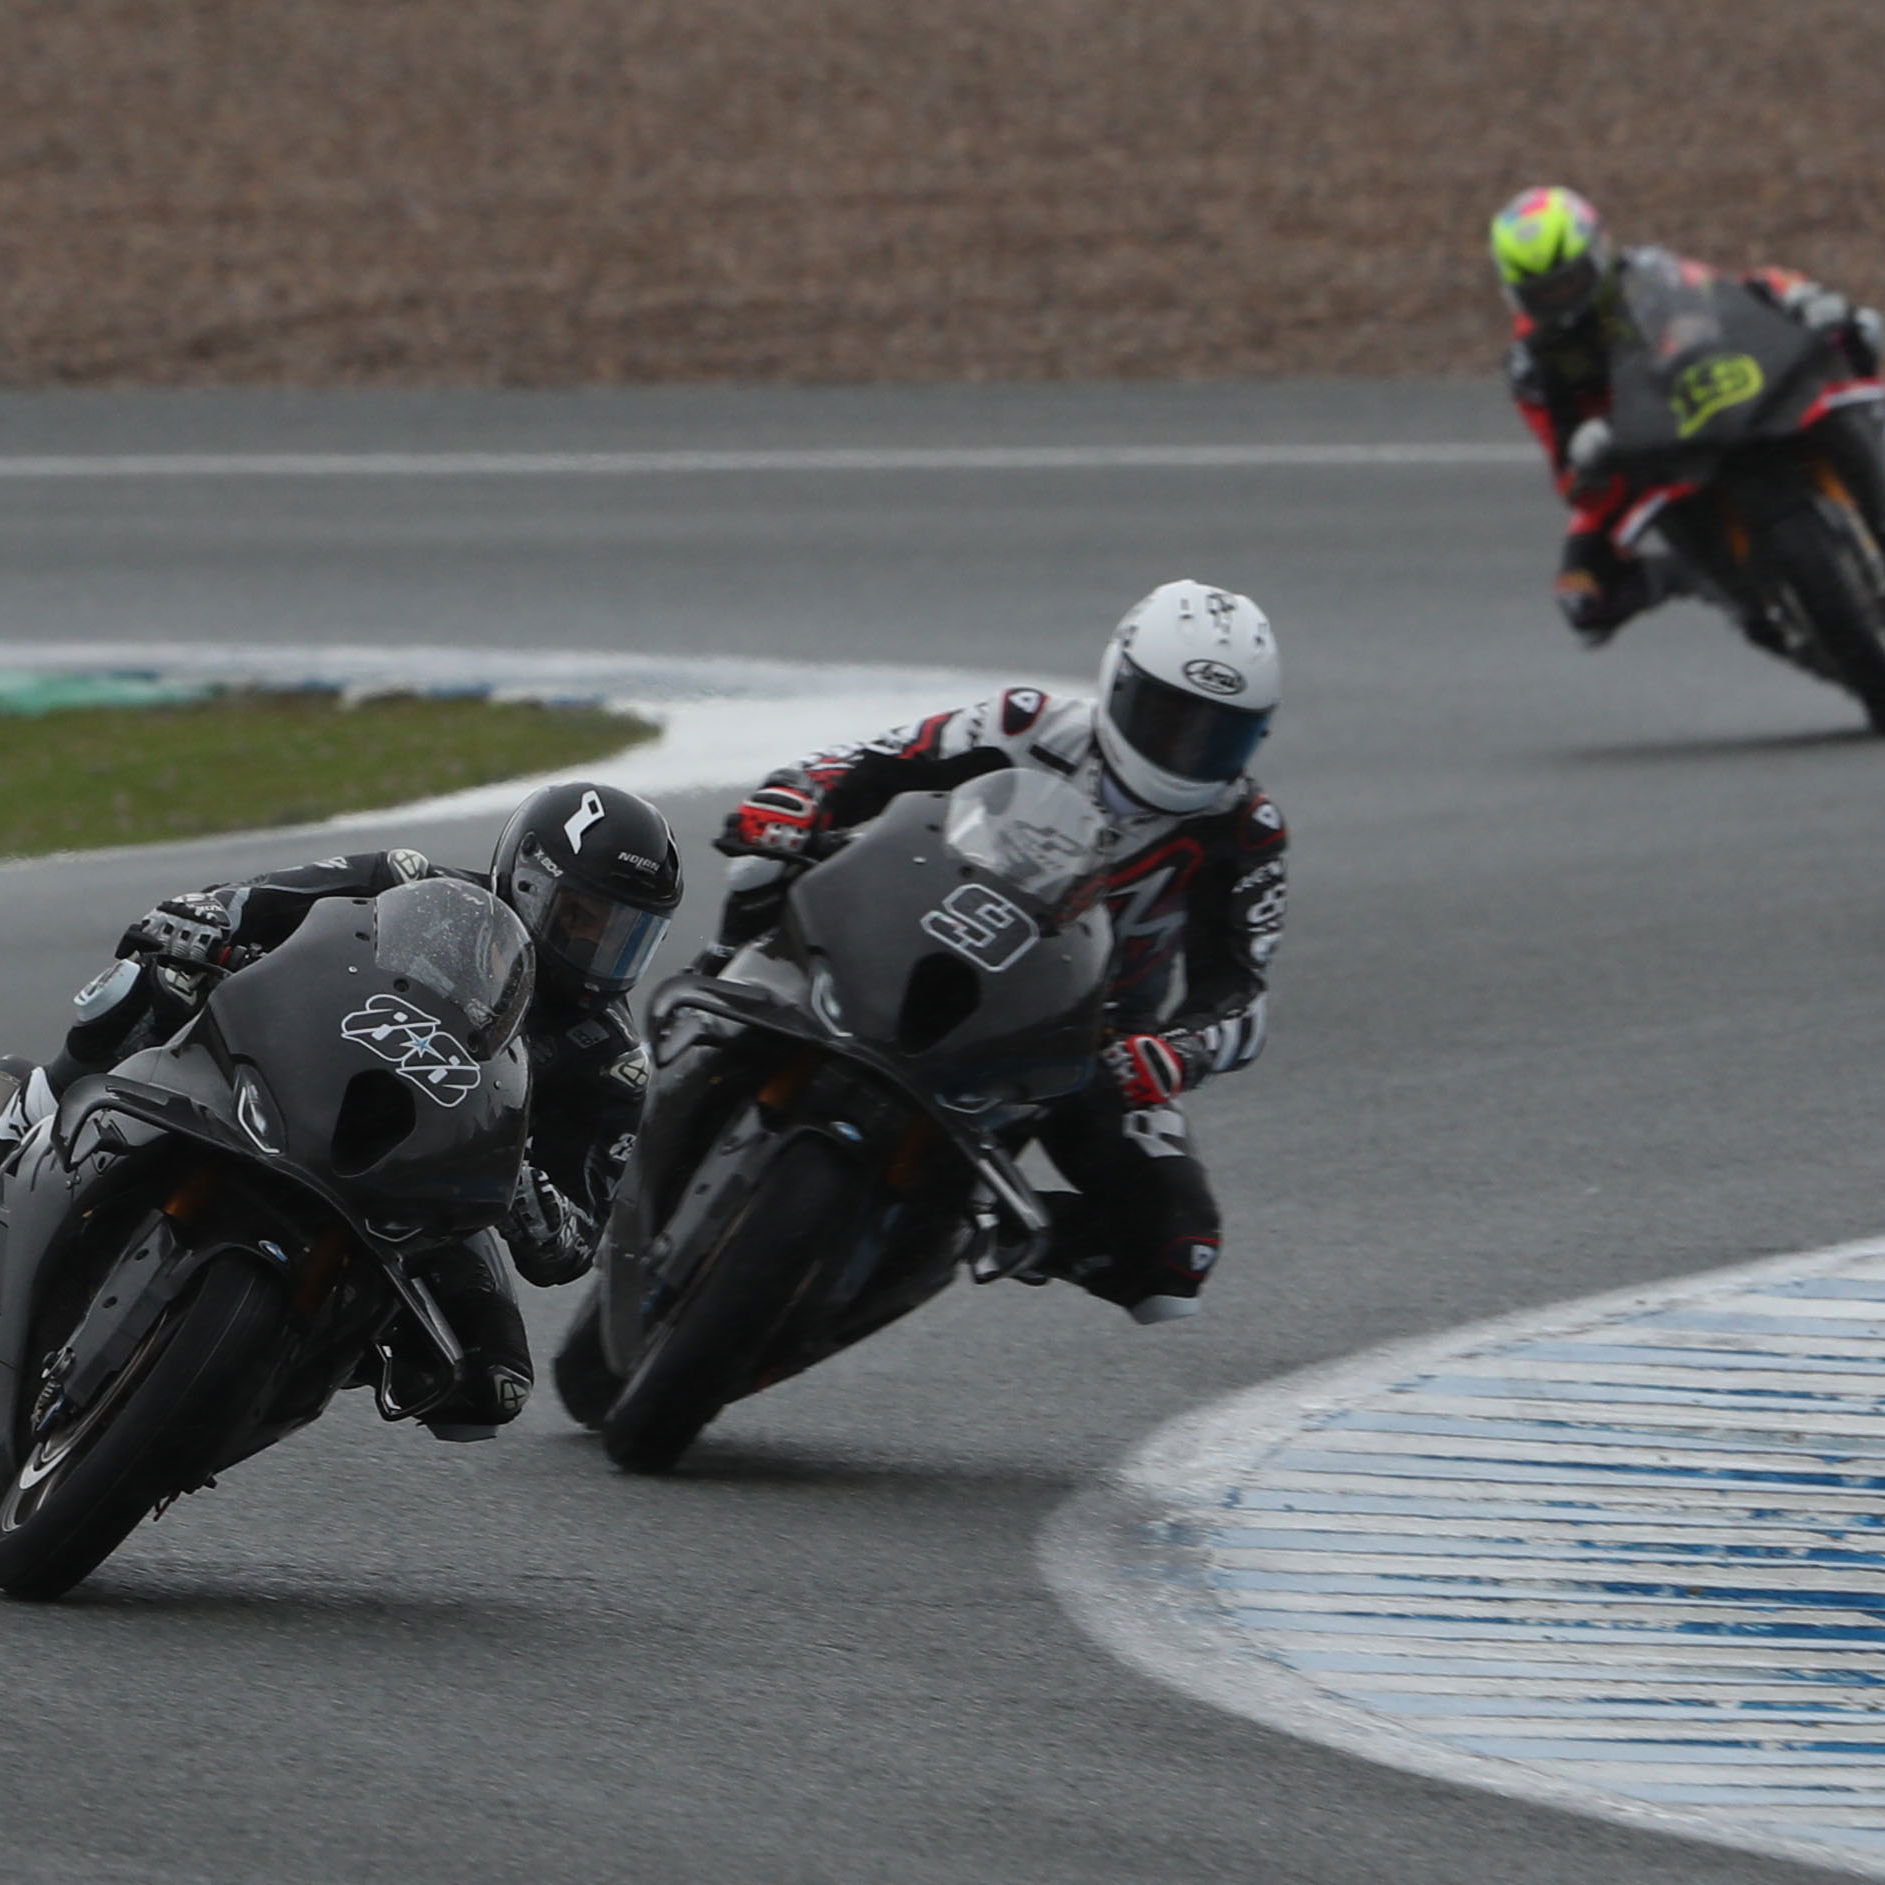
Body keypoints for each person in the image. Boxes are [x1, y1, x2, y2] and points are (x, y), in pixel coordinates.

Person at [0, 781, 681, 1439]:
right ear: (530, 879)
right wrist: (206, 919)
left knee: (494, 1379)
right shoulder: (419, 885)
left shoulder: (610, 1062)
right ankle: (19, 1126)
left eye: (627, 934)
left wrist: (532, 1194)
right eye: (583, 917)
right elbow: (255, 899)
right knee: (147, 983)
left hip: (426, 1171)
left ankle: (254, 1375)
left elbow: (573, 1244)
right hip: (301, 1063)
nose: (599, 950)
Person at [711, 578, 1286, 1325]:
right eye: (1170, 718)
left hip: (1083, 1033)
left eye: (1219, 734)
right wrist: (797, 796)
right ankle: (724, 989)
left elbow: (1244, 992)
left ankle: (984, 1227)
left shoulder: (1244, 828)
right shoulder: (1027, 722)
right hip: (931, 926)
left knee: (1177, 1257)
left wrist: (1175, 1052)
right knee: (764, 854)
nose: (1188, 750)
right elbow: (873, 760)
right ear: (1118, 683)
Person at [1489, 184, 1885, 646]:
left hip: (1732, 395)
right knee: (1583, 598)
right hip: (1648, 450)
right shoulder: (1534, 365)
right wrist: (1589, 454)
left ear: (1598, 257)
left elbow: (1744, 293)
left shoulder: (1650, 274)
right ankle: (1708, 582)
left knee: (1851, 344)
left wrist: (1804, 299)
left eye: (1569, 282)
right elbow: (1568, 472)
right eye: (1543, 294)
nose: (1560, 300)